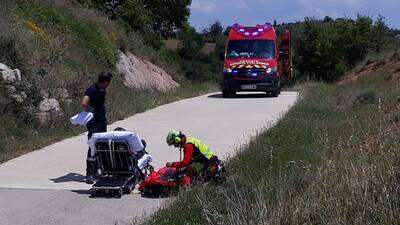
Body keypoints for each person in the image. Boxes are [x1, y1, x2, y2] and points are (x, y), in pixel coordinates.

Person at [81, 71, 113, 184]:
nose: (109, 84)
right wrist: (91, 111)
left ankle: (97, 170)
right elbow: (84, 103)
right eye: (108, 82)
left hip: (101, 122)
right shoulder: (92, 89)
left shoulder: (102, 89)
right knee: (93, 146)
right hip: (94, 123)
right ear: (105, 82)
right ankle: (90, 173)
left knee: (101, 145)